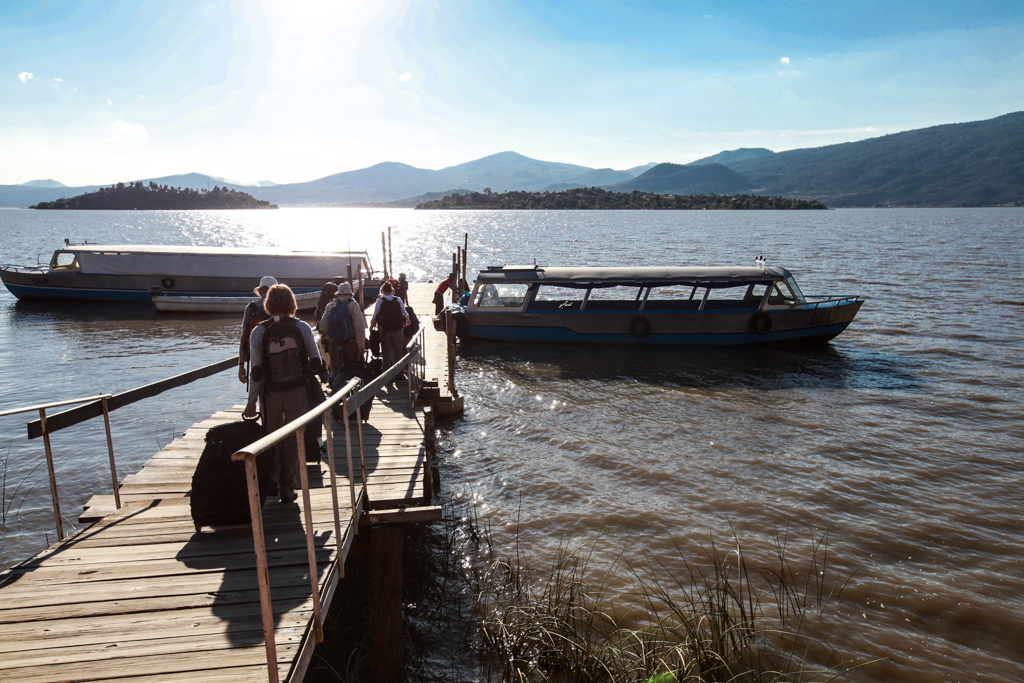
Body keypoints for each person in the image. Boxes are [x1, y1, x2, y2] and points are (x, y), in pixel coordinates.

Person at [243, 284, 322, 503]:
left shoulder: (259, 331)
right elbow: (316, 362)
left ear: (268, 304)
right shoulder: (302, 327)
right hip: (297, 392)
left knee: (270, 439)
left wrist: (251, 403)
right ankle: (288, 488)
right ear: (291, 303)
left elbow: (257, 371)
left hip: (270, 395)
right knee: (294, 439)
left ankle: (270, 484)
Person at [318, 281, 366, 371]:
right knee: (352, 370)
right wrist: (361, 347)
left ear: (338, 294)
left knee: (336, 370)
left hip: (333, 343)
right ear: (349, 294)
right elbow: (359, 327)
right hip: (350, 344)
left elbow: (322, 326)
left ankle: (337, 384)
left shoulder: (331, 305)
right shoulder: (353, 305)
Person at [238, 276, 276, 384]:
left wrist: (241, 366)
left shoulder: (251, 308)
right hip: (277, 358)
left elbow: (244, 339)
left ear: (260, 291)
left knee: (258, 390)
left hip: (256, 358)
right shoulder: (280, 307)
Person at [371, 281, 409, 376]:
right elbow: (405, 313)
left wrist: (371, 328)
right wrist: (408, 321)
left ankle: (386, 375)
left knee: (386, 353)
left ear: (382, 291)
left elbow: (375, 316)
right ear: (392, 291)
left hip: (385, 331)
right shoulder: (398, 300)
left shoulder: (380, 301)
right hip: (398, 330)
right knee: (398, 352)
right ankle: (399, 373)